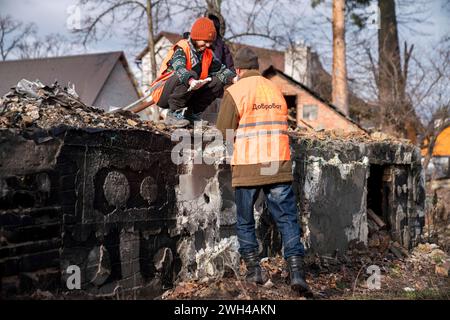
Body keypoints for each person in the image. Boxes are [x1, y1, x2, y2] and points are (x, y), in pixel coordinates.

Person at [216, 47, 310, 294]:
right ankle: (297, 272)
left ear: (237, 69)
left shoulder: (235, 91)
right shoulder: (275, 89)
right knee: (287, 218)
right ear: (256, 67)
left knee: (245, 220)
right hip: (277, 162)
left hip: (248, 164)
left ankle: (254, 270)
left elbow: (223, 130)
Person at [149, 17, 235, 127]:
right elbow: (179, 69)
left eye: (210, 42)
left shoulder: (207, 54)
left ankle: (192, 115)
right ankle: (173, 115)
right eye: (205, 41)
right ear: (196, 38)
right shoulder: (182, 48)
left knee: (218, 82)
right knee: (191, 74)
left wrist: (234, 78)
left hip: (187, 92)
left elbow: (221, 71)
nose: (208, 45)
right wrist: (191, 80)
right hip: (163, 92)